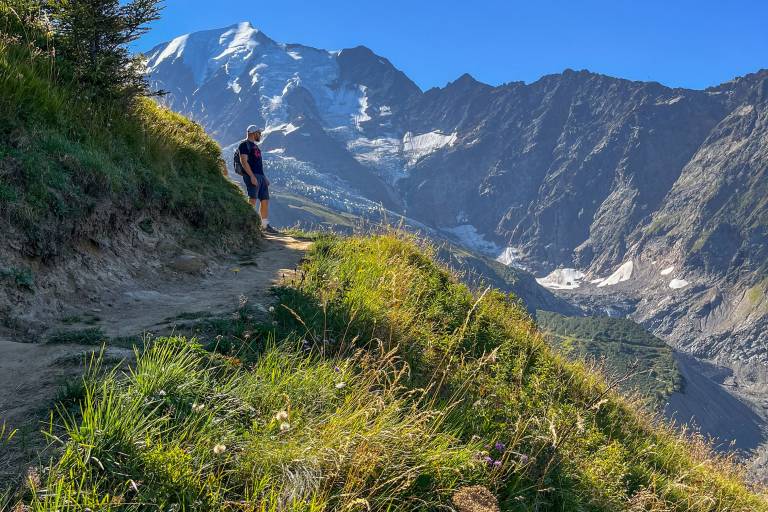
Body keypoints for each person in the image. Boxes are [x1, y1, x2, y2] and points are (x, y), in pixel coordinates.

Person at [239, 125, 278, 234]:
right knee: (252, 199)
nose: (260, 135)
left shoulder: (255, 147)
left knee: (265, 200)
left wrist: (264, 178)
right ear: (253, 133)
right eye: (259, 133)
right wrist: (251, 176)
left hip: (260, 176)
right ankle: (248, 224)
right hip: (252, 175)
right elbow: (244, 161)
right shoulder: (244, 145)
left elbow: (258, 165)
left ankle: (264, 225)